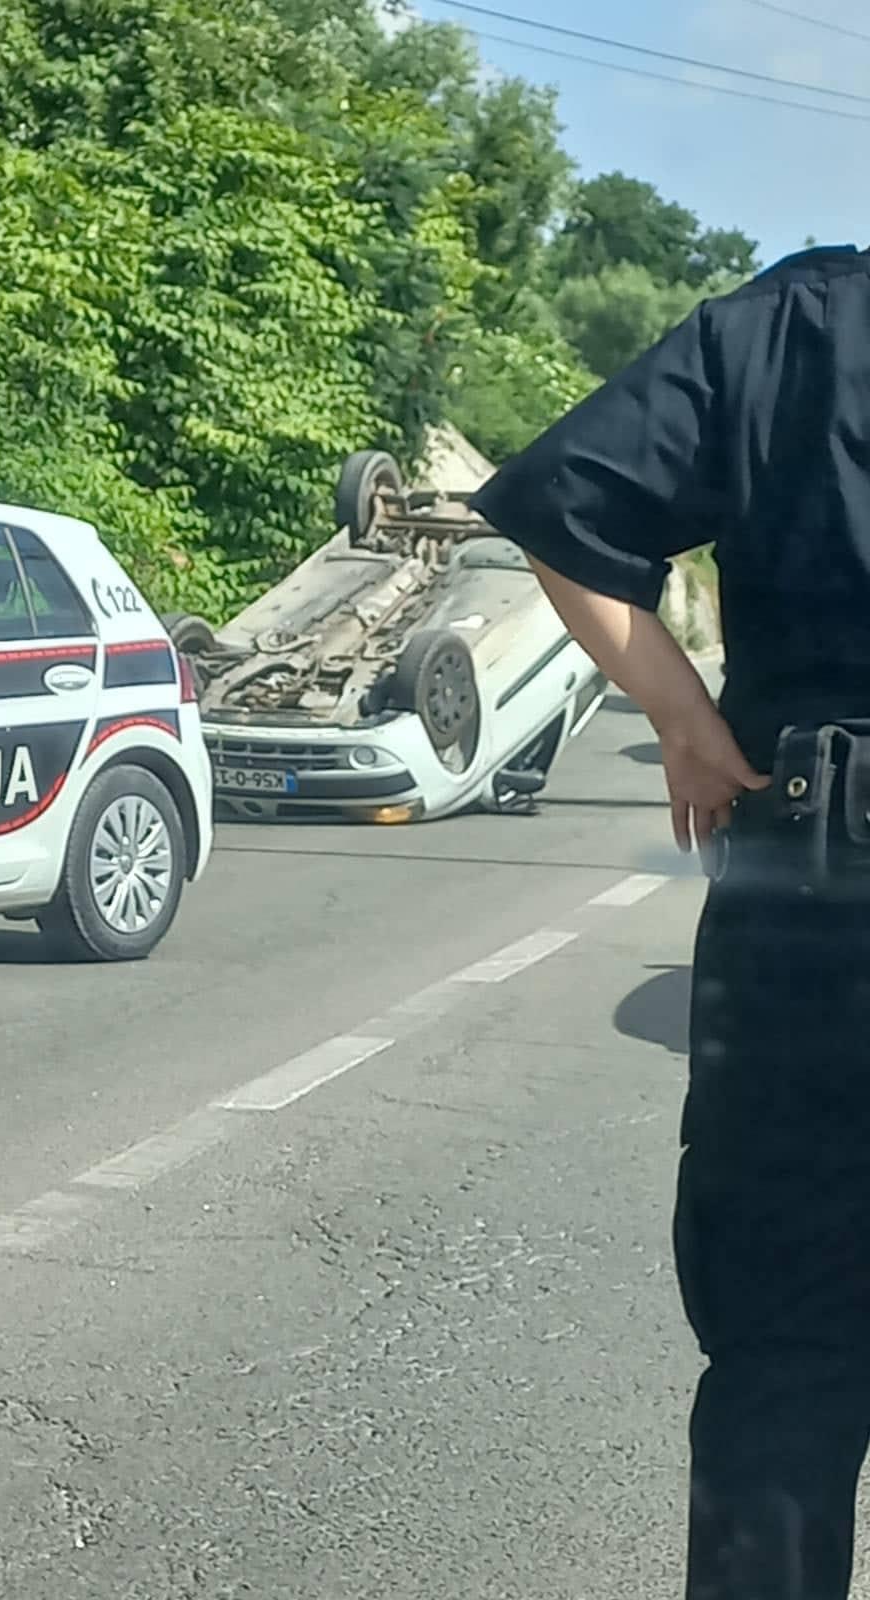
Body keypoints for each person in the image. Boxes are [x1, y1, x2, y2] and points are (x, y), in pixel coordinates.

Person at [468, 242, 870, 1600]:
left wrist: (684, 721)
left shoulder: (802, 324)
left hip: (819, 914)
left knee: (788, 1361)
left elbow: (563, 502)